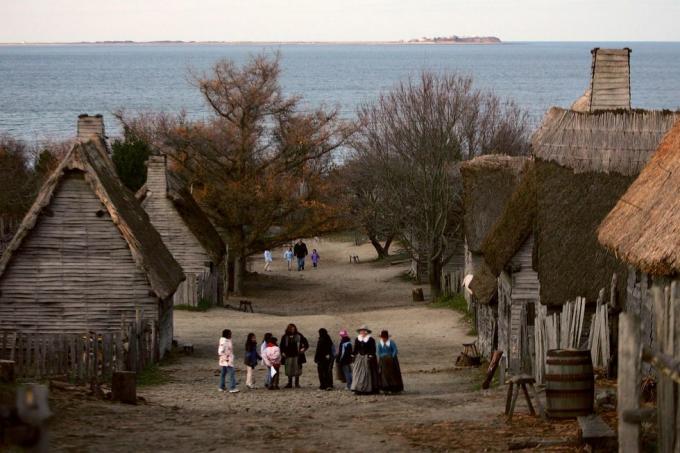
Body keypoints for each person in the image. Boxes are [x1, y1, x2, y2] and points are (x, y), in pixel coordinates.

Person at [351, 325, 379, 394]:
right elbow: (355, 349)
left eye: (364, 330)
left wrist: (370, 355)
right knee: (357, 373)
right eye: (361, 331)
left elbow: (373, 349)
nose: (362, 332)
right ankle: (357, 388)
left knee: (367, 373)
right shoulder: (357, 339)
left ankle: (367, 389)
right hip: (359, 358)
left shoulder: (371, 339)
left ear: (367, 332)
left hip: (367, 357)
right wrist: (353, 354)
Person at [280, 323, 309, 388]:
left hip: (297, 355)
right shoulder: (285, 337)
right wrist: (282, 352)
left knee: (297, 369)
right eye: (291, 329)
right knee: (289, 369)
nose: (293, 330)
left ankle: (297, 383)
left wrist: (303, 349)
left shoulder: (299, 335)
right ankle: (289, 383)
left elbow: (306, 343)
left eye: (294, 329)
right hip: (288, 356)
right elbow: (281, 346)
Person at [218, 329, 239, 393]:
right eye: (230, 334)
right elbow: (220, 351)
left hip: (226, 360)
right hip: (227, 360)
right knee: (231, 373)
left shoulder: (227, 341)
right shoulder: (224, 342)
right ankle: (232, 387)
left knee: (223, 373)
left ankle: (222, 386)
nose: (231, 335)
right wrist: (226, 357)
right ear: (227, 335)